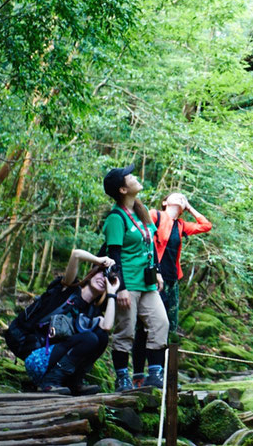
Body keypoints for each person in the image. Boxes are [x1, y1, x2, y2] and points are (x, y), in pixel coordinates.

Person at [131, 192, 212, 386]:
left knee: (165, 327)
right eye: (177, 196)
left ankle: (157, 373)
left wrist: (190, 207)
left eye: (183, 198)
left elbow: (206, 226)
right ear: (165, 202)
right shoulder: (155, 215)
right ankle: (137, 375)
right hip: (151, 278)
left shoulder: (181, 225)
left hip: (172, 281)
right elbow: (142, 238)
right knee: (143, 327)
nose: (181, 198)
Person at [102, 164, 169, 392]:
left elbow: (151, 244)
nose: (134, 177)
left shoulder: (141, 211)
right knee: (126, 331)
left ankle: (155, 376)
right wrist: (119, 288)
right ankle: (122, 379)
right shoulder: (115, 218)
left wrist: (157, 271)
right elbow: (114, 255)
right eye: (129, 176)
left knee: (161, 323)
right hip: (128, 283)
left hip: (148, 283)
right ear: (122, 189)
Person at [21, 249, 119, 395]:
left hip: (57, 363)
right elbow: (75, 254)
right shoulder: (68, 289)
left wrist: (112, 292)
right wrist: (99, 261)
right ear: (91, 273)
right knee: (89, 338)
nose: (103, 278)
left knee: (101, 336)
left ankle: (74, 382)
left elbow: (107, 326)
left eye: (107, 278)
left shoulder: (93, 311)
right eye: (100, 273)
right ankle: (49, 382)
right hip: (38, 357)